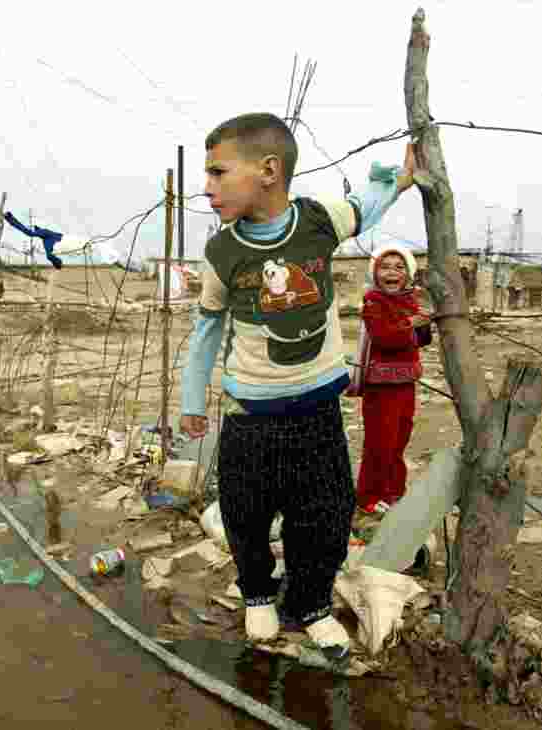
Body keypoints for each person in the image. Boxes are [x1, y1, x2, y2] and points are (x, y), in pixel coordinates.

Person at [179, 112, 420, 654]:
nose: (207, 187)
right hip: (250, 419)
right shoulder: (222, 253)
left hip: (318, 415)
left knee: (327, 514)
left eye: (218, 173)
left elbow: (364, 206)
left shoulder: (316, 222)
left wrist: (399, 180)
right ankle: (260, 595)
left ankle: (310, 602)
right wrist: (192, 399)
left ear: (268, 170)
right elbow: (206, 329)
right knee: (245, 513)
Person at [349, 244, 432, 543]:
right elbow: (384, 338)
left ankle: (394, 494)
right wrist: (412, 323)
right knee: (378, 444)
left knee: (399, 441)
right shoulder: (373, 302)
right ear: (375, 272)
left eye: (399, 267)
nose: (392, 272)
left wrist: (423, 323)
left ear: (408, 274)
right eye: (385, 267)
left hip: (405, 384)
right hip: (381, 387)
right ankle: (368, 499)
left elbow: (422, 340)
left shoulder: (411, 300)